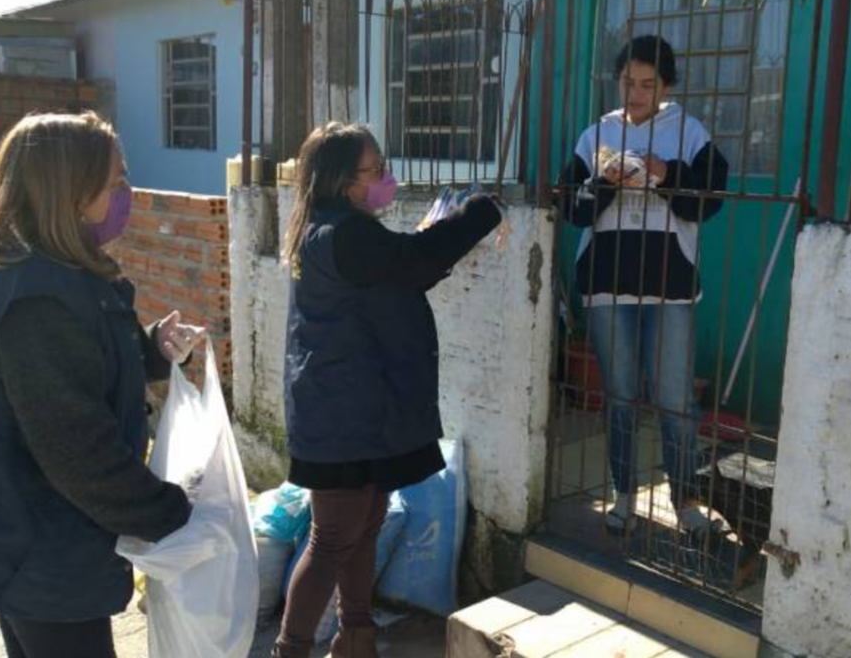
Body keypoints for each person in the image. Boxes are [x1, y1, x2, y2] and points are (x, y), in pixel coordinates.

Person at [0, 112, 205, 658]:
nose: (127, 192)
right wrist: (173, 517)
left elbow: (75, 370)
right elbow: (76, 447)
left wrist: (149, 348)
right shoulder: (34, 297)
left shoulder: (56, 273)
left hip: (38, 543)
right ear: (72, 190)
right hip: (43, 549)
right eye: (117, 180)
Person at [273, 122, 502, 658]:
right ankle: (292, 648)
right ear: (341, 180)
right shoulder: (344, 234)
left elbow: (401, 275)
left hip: (358, 412)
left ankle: (356, 638)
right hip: (342, 417)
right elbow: (412, 262)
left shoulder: (337, 229)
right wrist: (479, 213)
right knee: (332, 539)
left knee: (365, 523)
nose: (387, 178)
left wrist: (430, 248)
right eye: (376, 170)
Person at [558, 35, 728, 534]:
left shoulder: (689, 133)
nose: (635, 93)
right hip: (608, 287)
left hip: (670, 287)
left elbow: (709, 202)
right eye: (628, 83)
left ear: (666, 86)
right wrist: (606, 182)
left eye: (647, 85)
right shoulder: (597, 135)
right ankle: (624, 494)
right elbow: (571, 208)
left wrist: (665, 173)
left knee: (675, 398)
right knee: (621, 396)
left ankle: (687, 503)